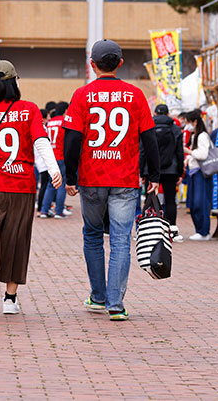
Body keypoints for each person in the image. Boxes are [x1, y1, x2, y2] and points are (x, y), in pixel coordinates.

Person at [64, 39, 160, 321]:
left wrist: (71, 175)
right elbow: (149, 138)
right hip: (125, 178)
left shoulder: (82, 95)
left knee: (93, 235)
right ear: (120, 63)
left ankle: (98, 296)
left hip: (92, 178)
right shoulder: (136, 95)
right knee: (120, 239)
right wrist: (153, 175)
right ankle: (115, 304)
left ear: (91, 65)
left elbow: (72, 138)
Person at [0, 60, 60, 319]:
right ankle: (10, 299)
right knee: (16, 240)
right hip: (22, 185)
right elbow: (41, 141)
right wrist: (53, 169)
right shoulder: (29, 109)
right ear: (15, 81)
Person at [140, 103, 185, 241]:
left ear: (154, 113)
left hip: (151, 169)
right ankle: (172, 231)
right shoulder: (176, 129)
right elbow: (179, 153)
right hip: (171, 169)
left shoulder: (148, 127)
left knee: (149, 200)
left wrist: (142, 172)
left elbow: (142, 151)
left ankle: (145, 231)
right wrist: (179, 172)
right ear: (168, 113)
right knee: (170, 200)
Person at [182, 109, 213, 241]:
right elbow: (196, 154)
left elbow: (202, 154)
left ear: (195, 122)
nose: (187, 125)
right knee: (194, 203)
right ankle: (199, 230)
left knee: (200, 202)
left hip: (201, 173)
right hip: (195, 172)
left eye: (188, 122)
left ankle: (204, 231)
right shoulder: (196, 135)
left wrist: (188, 152)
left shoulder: (202, 136)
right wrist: (188, 159)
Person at [39, 102, 70, 219]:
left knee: (50, 185)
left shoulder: (50, 122)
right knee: (61, 185)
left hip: (51, 156)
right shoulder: (64, 121)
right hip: (61, 155)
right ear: (65, 110)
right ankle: (59, 211)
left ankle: (44, 210)